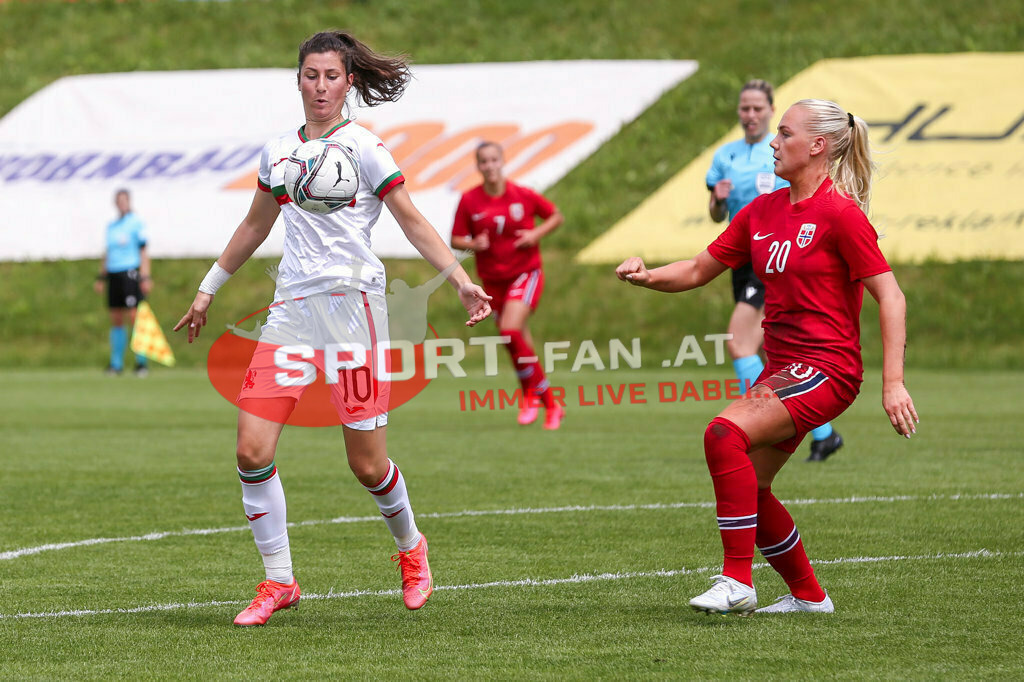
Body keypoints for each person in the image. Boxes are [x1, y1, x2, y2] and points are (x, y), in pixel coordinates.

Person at [174, 30, 492, 627]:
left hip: (354, 313)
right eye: (311, 75)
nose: (320, 86)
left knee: (367, 465)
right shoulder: (278, 152)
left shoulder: (366, 147)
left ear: (349, 83)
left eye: (332, 76)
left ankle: (411, 547)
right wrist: (208, 288)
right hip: (291, 312)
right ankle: (279, 581)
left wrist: (459, 280)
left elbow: (411, 220)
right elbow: (254, 225)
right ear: (297, 79)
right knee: (250, 450)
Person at [617, 99, 918, 615]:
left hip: (826, 370)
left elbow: (890, 296)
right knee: (751, 486)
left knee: (723, 434)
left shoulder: (840, 214)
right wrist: (648, 277)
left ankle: (737, 581)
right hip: (784, 371)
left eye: (785, 133)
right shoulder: (762, 211)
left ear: (817, 145)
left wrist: (894, 383)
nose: (774, 143)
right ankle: (809, 597)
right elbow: (697, 269)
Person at [707, 80, 842, 462]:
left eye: (757, 108)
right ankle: (824, 435)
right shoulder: (725, 156)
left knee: (739, 342)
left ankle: (761, 424)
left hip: (774, 255)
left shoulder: (783, 151)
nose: (750, 115)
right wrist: (717, 200)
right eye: (744, 108)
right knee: (772, 352)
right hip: (741, 259)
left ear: (769, 110)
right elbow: (716, 215)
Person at [451, 142, 565, 429]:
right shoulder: (469, 200)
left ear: (503, 161)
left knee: (510, 329)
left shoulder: (522, 195)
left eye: (494, 160)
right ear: (478, 166)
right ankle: (538, 399)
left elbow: (555, 216)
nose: (489, 166)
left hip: (524, 273)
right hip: (492, 281)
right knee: (515, 340)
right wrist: (474, 243)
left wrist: (535, 235)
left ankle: (546, 402)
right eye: (484, 161)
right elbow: (455, 239)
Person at [94, 188, 152, 377]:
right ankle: (116, 363)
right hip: (114, 274)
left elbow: (143, 251)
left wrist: (145, 276)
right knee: (116, 318)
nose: (122, 204)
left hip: (130, 273)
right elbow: (108, 253)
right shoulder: (111, 227)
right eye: (119, 201)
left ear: (129, 201)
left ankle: (141, 363)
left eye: (124, 200)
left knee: (135, 317)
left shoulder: (136, 223)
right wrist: (101, 277)